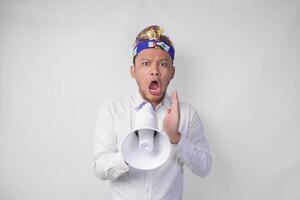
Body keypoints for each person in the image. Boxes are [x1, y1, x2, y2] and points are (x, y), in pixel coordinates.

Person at [92, 25, 212, 200]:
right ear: (133, 71)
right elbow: (99, 168)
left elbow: (205, 167)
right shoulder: (112, 110)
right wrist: (128, 154)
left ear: (172, 72)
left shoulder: (186, 114)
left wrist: (176, 138)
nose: (155, 70)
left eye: (163, 64)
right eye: (146, 63)